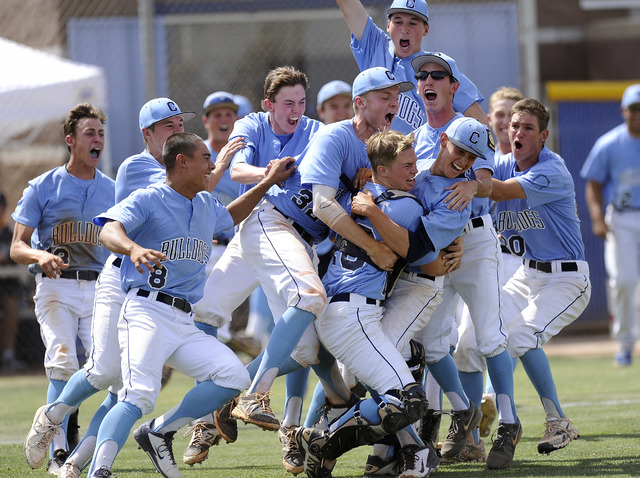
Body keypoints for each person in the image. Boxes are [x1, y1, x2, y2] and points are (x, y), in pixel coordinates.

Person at [26, 132, 295, 478]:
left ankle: (159, 431)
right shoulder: (151, 196)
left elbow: (229, 216)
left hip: (183, 319)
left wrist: (268, 183)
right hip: (146, 310)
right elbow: (108, 229)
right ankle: (96, 467)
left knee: (232, 376)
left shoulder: (204, 203)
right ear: (181, 161)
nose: (212, 165)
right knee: (133, 392)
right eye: (204, 158)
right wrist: (132, 248)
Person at [23, 97, 198, 478]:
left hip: (146, 288)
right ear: (147, 135)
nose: (178, 130)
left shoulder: (175, 170)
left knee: (125, 390)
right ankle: (52, 423)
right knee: (95, 370)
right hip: (110, 282)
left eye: (179, 124)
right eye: (168, 126)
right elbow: (185, 188)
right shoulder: (137, 168)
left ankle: (76, 465)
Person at [193, 66, 325, 475]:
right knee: (207, 312)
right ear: (268, 104)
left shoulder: (318, 130)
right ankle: (202, 418)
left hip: (293, 235)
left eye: (302, 102)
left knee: (304, 348)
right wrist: (272, 175)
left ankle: (240, 403)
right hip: (251, 227)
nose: (296, 110)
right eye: (288, 102)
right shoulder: (251, 123)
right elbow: (235, 170)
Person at [408, 52, 520, 468]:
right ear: (418, 86)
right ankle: (460, 412)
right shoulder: (416, 136)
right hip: (435, 250)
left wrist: (473, 186)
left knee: (488, 336)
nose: (429, 79)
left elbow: (488, 184)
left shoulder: (472, 129)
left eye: (439, 74)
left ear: (455, 86)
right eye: (423, 75)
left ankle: (508, 423)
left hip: (472, 242)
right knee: (432, 341)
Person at [13, 103, 115, 474]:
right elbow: (17, 245)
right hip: (56, 287)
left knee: (103, 369)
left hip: (100, 289)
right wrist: (40, 256)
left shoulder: (113, 189)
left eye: (101, 133)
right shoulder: (44, 186)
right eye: (90, 133)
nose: (97, 139)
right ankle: (59, 455)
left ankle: (64, 430)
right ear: (70, 140)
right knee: (62, 361)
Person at [491, 98, 591, 461]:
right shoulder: (503, 162)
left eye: (527, 128)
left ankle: (558, 420)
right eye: (514, 125)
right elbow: (480, 172)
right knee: (483, 334)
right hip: (526, 272)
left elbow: (498, 191)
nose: (517, 132)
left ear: (543, 135)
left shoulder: (552, 170)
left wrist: (473, 184)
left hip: (567, 280)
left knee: (520, 334)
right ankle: (482, 420)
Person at [336, 0, 487, 134]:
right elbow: (348, 4)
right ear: (388, 25)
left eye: (413, 23)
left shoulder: (438, 67)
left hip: (418, 158)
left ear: (426, 29)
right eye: (398, 21)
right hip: (374, 152)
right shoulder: (376, 46)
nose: (404, 29)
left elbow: (480, 123)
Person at [581, 84, 640, 367]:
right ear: (624, 111)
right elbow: (593, 183)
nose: (638, 115)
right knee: (624, 281)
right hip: (622, 217)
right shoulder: (609, 143)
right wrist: (595, 218)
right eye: (634, 109)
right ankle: (626, 342)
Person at [0, 191, 27, 372]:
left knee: (11, 303)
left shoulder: (8, 233)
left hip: (6, 286)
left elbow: (10, 257)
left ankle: (8, 356)